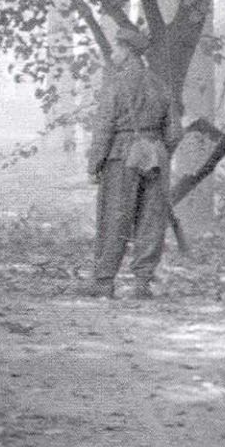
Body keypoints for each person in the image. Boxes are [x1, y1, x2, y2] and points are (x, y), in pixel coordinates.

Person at [78, 25, 180, 299]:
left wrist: (94, 165)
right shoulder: (161, 85)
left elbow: (103, 128)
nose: (113, 52)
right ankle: (141, 284)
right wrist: (157, 151)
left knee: (115, 217)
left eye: (117, 48)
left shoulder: (115, 85)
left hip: (121, 155)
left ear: (127, 51)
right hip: (156, 156)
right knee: (151, 220)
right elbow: (174, 133)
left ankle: (103, 282)